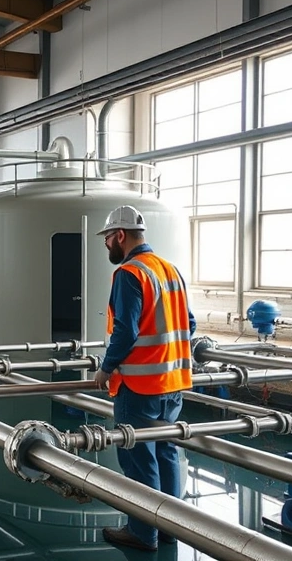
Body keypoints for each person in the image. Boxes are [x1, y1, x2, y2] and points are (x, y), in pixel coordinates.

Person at [92, 205, 195, 552]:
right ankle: (168, 529)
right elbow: (189, 323)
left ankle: (142, 532)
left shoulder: (129, 273)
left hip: (138, 386)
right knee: (166, 453)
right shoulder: (170, 270)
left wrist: (106, 368)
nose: (106, 244)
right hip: (173, 383)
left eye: (108, 238)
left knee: (138, 459)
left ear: (120, 235)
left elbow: (125, 331)